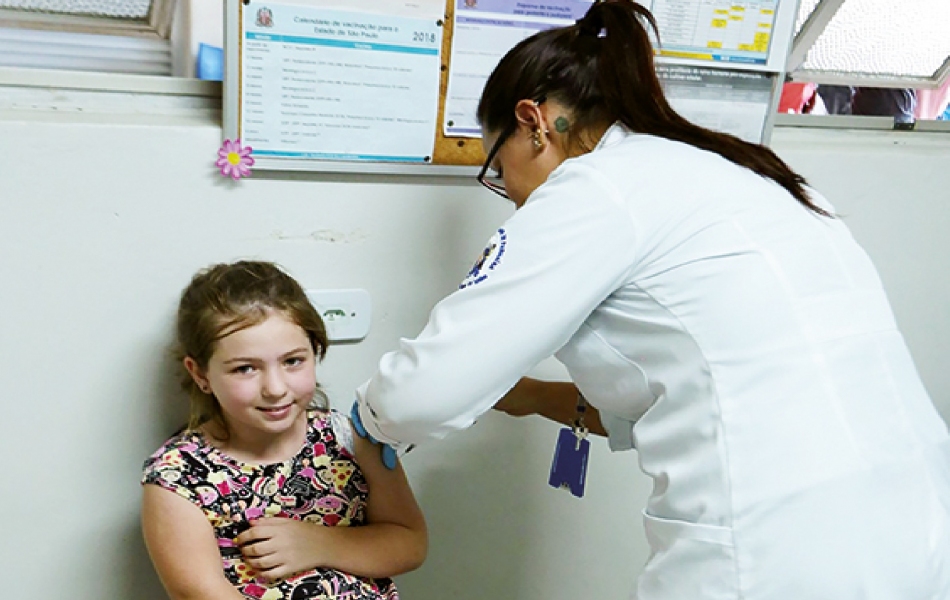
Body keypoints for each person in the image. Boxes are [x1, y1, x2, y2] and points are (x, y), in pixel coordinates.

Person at [349, 1, 950, 598]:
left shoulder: (592, 189)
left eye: (500, 172)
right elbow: (707, 381)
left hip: (777, 552)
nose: (511, 197)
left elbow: (419, 396)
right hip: (918, 524)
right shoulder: (741, 175)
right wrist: (532, 397)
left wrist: (365, 419)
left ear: (533, 122)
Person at [141, 260, 427, 600]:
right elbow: (199, 592)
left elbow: (410, 542)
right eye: (245, 368)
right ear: (200, 374)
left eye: (293, 361)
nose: (275, 388)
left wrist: (321, 543)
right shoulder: (178, 477)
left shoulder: (353, 438)